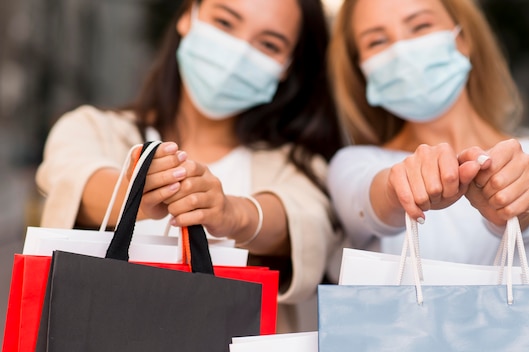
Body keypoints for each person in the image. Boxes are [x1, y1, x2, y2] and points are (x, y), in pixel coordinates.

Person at [36, 0, 342, 332]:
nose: (238, 52)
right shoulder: (94, 128)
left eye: (269, 44)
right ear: (187, 17)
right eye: (225, 22)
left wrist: (234, 215)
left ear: (289, 65)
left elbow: (305, 219)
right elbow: (71, 176)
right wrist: (138, 189)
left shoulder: (298, 163)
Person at [326, 0, 529, 268]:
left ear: (463, 39)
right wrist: (396, 191)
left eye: (421, 25)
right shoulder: (352, 163)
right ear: (361, 70)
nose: (401, 51)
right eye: (376, 42)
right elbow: (365, 202)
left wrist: (514, 198)